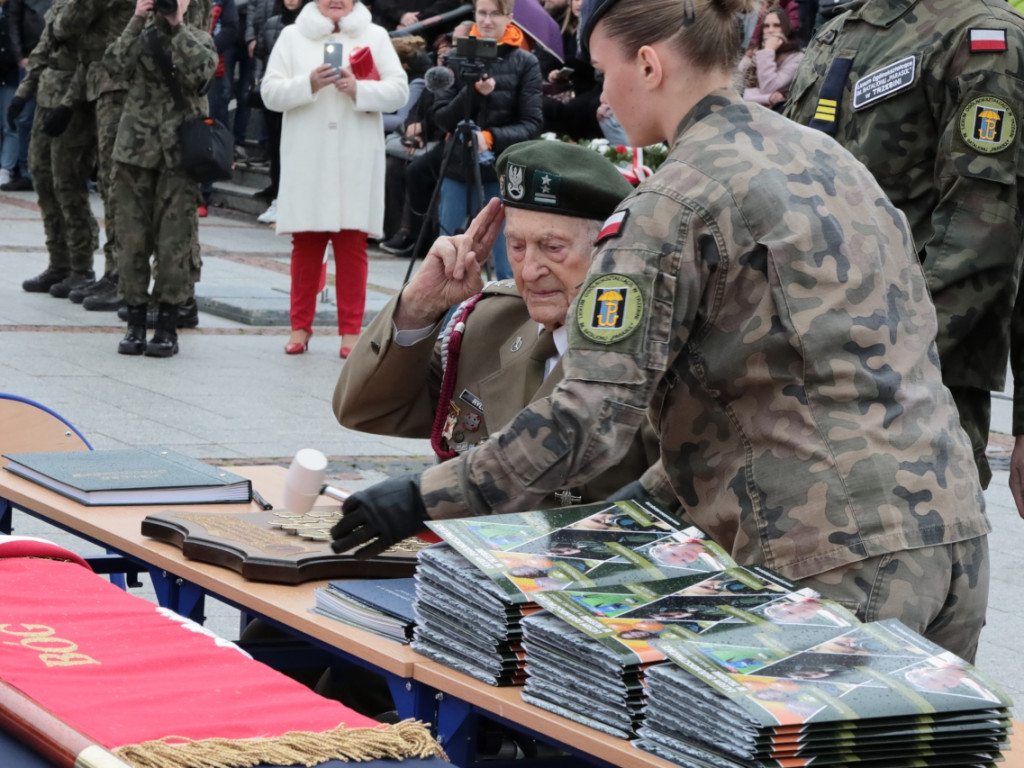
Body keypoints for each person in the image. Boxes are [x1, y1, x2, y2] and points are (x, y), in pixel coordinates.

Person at [330, 0, 991, 663]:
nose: (603, 99)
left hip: (827, 557)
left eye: (601, 71)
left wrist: (424, 497)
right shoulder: (827, 161)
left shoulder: (673, 200)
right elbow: (779, 386)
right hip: (949, 534)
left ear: (647, 64)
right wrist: (625, 510)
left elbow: (588, 415)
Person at [335, 140, 666, 506]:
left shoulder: (648, 351)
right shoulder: (490, 322)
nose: (530, 270)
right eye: (517, 246)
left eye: (553, 247)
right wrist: (418, 306)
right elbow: (366, 410)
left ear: (608, 252)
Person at [784, 0, 1024, 504]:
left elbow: (981, 234)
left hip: (903, 395)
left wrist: (867, 367)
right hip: (792, 375)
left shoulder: (984, 38)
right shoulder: (841, 29)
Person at [260, 0, 408, 358]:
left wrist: (359, 88)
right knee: (306, 243)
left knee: (352, 245)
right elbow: (269, 92)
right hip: (308, 154)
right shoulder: (293, 35)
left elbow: (399, 93)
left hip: (355, 156)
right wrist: (308, 83)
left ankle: (350, 331)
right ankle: (299, 326)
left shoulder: (374, 34)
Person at [107, 0, 216, 358]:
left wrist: (177, 23)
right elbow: (113, 66)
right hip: (134, 154)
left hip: (178, 157)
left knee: (174, 244)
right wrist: (138, 17)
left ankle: (168, 325)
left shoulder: (199, 38)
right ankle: (135, 322)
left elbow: (201, 75)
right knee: (131, 240)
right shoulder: (139, 35)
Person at [430, 0, 543, 280]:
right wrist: (473, 93)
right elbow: (441, 119)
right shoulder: (455, 57)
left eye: (495, 14)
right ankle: (449, 320)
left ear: (509, 18)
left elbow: (532, 125)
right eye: (482, 13)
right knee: (451, 256)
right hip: (457, 167)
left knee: (507, 263)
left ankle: (503, 317)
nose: (488, 20)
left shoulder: (525, 61)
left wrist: (490, 138)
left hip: (503, 172)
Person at [50, 0, 137, 314]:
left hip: (117, 83)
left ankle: (121, 277)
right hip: (100, 81)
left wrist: (60, 25)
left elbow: (72, 19)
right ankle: (113, 272)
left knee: (116, 183)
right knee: (107, 181)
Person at [11, 0, 99, 300]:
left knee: (68, 182)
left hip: (74, 105)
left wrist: (69, 103)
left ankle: (81, 265)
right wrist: (24, 93)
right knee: (43, 179)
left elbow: (89, 54)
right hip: (47, 97)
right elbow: (43, 46)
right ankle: (58, 262)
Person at [2, 0, 48, 191]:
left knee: (52, 115)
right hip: (29, 58)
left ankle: (46, 171)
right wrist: (19, 55)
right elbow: (13, 22)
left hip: (55, 58)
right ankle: (25, 171)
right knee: (24, 117)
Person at [738, 5, 801, 110]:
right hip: (744, 111)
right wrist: (767, 97)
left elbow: (768, 87)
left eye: (776, 25)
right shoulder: (752, 53)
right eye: (766, 26)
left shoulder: (795, 57)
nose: (770, 30)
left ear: (785, 28)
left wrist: (768, 51)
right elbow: (736, 90)